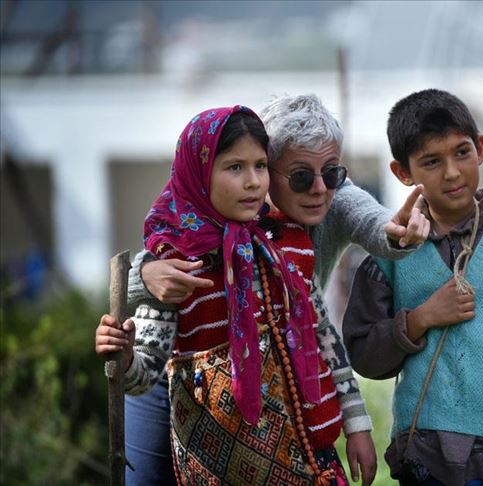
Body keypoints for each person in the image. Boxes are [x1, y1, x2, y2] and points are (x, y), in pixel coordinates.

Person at [123, 95, 431, 486]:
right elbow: (143, 338)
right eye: (301, 176)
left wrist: (400, 237)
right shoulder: (183, 240)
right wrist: (144, 276)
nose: (320, 189)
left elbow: (374, 228)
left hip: (274, 393)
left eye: (332, 173)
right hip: (179, 381)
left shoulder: (298, 232)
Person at [96, 105, 353, 484]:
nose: (252, 182)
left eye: (260, 166)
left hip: (302, 461)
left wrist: (357, 423)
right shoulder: (173, 263)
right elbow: (143, 376)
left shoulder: (282, 244)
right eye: (235, 167)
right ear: (199, 174)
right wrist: (123, 355)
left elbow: (322, 333)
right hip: (217, 466)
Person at [342, 89, 483, 485]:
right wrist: (420, 319)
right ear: (402, 173)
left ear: (480, 148)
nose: (453, 172)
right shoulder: (391, 252)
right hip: (428, 455)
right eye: (431, 162)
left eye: (462, 153)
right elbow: (363, 353)